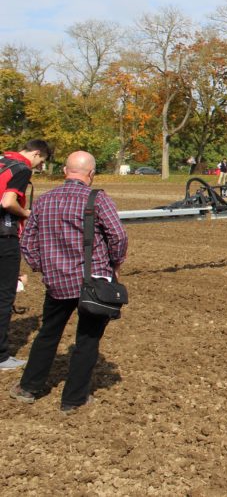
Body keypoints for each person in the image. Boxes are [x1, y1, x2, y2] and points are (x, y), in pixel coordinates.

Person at [10, 151, 127, 413]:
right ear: (91, 174)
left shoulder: (44, 201)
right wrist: (115, 266)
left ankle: (29, 387)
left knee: (48, 334)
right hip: (93, 282)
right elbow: (118, 236)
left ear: (65, 171)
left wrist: (43, 267)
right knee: (87, 340)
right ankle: (74, 400)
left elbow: (27, 241)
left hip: (57, 282)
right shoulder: (98, 199)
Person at [0, 139, 52, 371]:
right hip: (4, 237)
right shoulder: (21, 168)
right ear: (36, 153)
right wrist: (26, 213)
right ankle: (1, 357)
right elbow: (7, 202)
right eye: (41, 161)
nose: (39, 166)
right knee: (4, 295)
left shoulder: (2, 160)